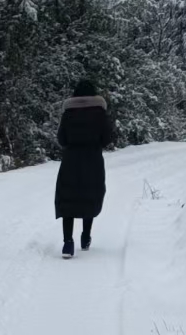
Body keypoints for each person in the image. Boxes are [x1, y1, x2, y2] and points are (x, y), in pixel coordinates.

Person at [54, 78, 117, 257]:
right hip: (93, 159)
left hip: (70, 160)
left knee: (68, 197)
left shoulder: (68, 113)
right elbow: (107, 138)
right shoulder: (100, 113)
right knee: (89, 195)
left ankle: (67, 243)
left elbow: (62, 139)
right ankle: (85, 237)